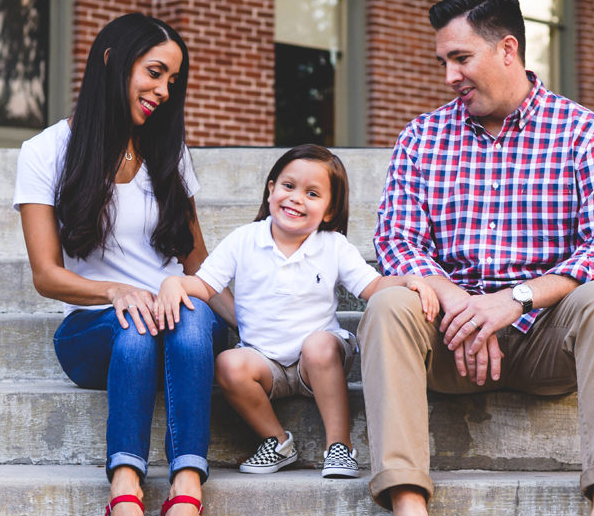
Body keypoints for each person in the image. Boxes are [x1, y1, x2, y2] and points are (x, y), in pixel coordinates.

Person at [355, 0, 594, 516]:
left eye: (459, 58)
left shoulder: (584, 132)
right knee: (387, 302)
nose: (448, 76)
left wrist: (511, 302)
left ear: (507, 49)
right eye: (443, 61)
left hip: (546, 340)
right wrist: (457, 300)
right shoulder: (421, 137)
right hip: (450, 337)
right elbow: (396, 241)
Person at [14, 13, 232, 516]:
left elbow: (197, 265)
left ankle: (185, 496)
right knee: (135, 326)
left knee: (185, 315)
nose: (164, 91)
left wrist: (246, 324)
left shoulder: (169, 150)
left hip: (177, 322)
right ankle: (126, 502)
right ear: (112, 61)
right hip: (95, 329)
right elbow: (46, 275)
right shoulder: (46, 151)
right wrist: (118, 291)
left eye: (172, 81)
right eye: (155, 73)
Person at [156, 144, 439, 479]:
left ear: (330, 210)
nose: (296, 198)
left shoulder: (333, 245)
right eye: (289, 186)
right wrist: (174, 285)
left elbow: (372, 287)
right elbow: (205, 285)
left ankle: (339, 445)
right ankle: (277, 442)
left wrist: (408, 281)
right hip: (263, 362)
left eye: (312, 193)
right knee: (228, 365)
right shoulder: (244, 239)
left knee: (318, 346)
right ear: (271, 188)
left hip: (318, 362)